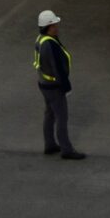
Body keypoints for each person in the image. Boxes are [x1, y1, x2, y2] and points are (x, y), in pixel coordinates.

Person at [34, 10, 84, 160]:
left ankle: (49, 144)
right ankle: (67, 149)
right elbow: (58, 69)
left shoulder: (41, 39)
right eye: (55, 24)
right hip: (54, 86)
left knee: (49, 114)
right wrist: (66, 87)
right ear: (49, 27)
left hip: (44, 84)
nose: (57, 27)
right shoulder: (50, 44)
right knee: (62, 117)